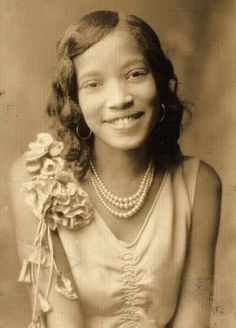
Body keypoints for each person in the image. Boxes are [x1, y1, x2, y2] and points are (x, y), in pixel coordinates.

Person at [9, 10, 222, 328]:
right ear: (75, 100)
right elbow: (62, 322)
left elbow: (194, 316)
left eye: (135, 74)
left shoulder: (200, 185)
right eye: (93, 83)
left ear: (159, 82)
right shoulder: (36, 180)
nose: (120, 98)